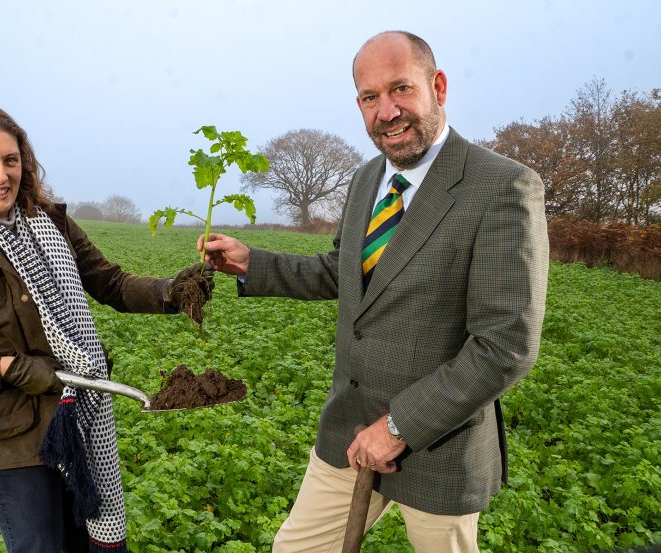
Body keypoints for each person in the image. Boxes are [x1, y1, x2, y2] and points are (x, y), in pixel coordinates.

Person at [199, 31, 549, 552]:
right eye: (369, 97)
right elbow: (349, 276)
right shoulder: (367, 179)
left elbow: (505, 346)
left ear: (438, 86)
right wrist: (254, 263)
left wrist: (399, 425)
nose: (386, 112)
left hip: (439, 445)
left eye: (400, 89)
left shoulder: (500, 186)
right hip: (348, 428)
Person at [0, 105, 213, 553]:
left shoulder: (51, 222)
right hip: (9, 439)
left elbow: (111, 283)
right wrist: (8, 368)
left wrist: (172, 292)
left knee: (84, 543)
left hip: (78, 420)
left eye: (11, 160)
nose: (1, 175)